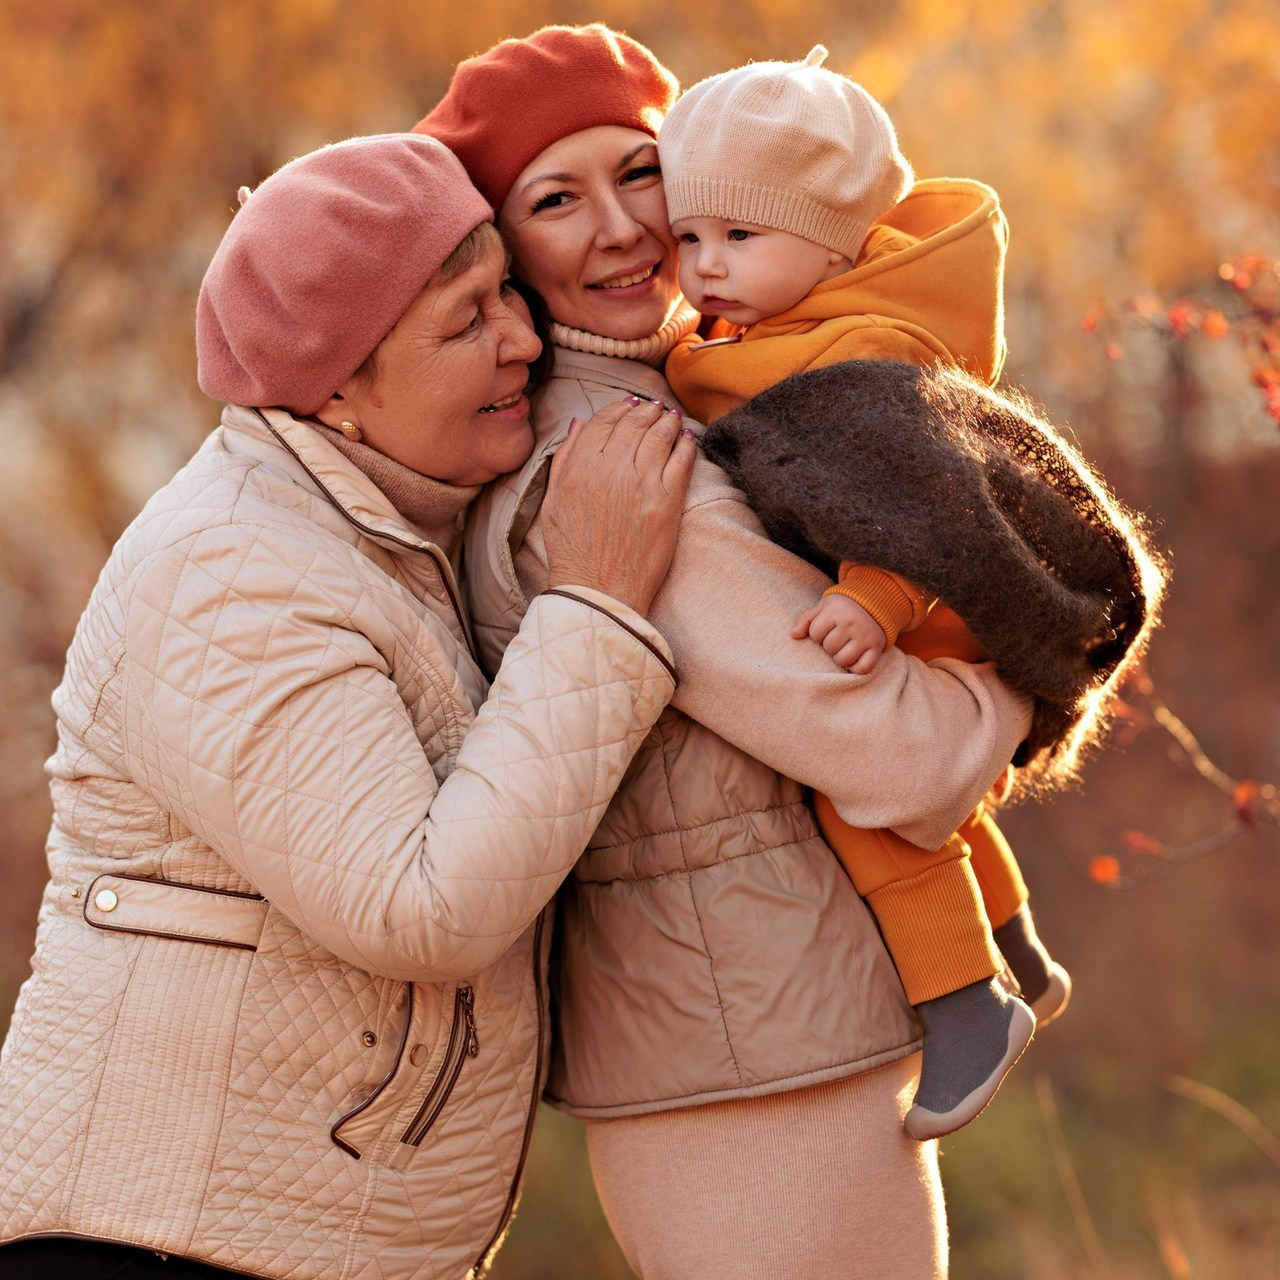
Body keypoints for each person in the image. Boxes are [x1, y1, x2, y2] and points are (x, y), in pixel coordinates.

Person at [0, 133, 698, 1280]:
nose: (522, 338)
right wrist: (593, 609)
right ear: (334, 386)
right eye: (466, 320)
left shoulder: (374, 538)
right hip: (169, 1242)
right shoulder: (231, 570)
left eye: (508, 298)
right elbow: (419, 906)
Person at [414, 25, 1035, 1278]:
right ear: (500, 246)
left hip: (756, 1032)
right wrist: (1020, 664)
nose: (628, 231)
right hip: (749, 1060)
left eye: (638, 173)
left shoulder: (693, 385)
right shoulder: (621, 458)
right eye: (553, 198)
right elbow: (899, 756)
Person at [657, 44, 1076, 1140]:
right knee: (939, 803)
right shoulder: (761, 334)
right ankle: (1019, 950)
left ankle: (961, 1004)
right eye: (689, 237)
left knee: (871, 802)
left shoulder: (865, 348)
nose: (705, 265)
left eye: (740, 235)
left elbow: (919, 499)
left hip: (916, 592)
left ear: (833, 237)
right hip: (886, 587)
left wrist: (873, 602)